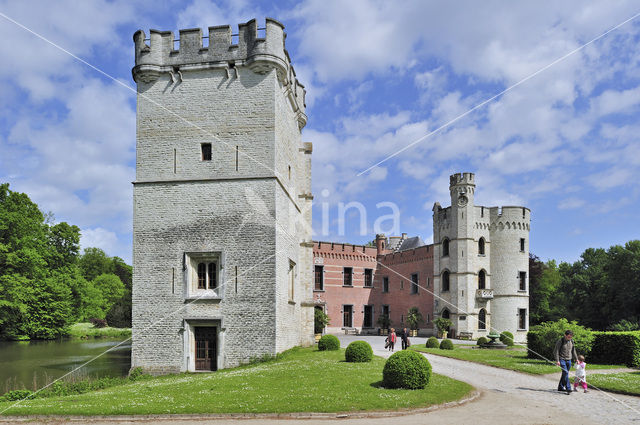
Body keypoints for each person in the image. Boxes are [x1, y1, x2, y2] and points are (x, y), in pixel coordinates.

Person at [554, 330, 578, 395]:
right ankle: (568, 388)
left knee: (565, 374)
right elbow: (556, 351)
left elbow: (573, 351)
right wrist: (557, 360)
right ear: (565, 335)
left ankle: (560, 387)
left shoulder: (572, 341)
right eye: (568, 337)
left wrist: (576, 359)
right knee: (565, 372)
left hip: (569, 360)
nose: (569, 338)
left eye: (571, 337)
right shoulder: (560, 341)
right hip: (562, 359)